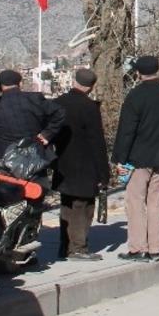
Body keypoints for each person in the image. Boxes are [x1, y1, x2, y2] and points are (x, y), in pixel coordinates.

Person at [112, 56, 159, 261]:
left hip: (139, 157)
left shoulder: (135, 96)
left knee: (135, 202)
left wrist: (119, 158)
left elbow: (126, 131)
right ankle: (155, 248)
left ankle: (138, 247)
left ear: (139, 73)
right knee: (156, 202)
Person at [51, 68, 111, 261]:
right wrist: (104, 172)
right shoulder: (89, 107)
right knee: (83, 207)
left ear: (74, 81)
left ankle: (65, 246)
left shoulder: (58, 103)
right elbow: (97, 141)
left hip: (62, 162)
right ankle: (78, 248)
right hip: (85, 164)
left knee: (67, 204)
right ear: (91, 86)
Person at [0, 69, 64, 162]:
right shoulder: (35, 99)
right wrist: (47, 134)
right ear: (20, 84)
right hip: (36, 158)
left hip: (6, 160)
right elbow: (60, 111)